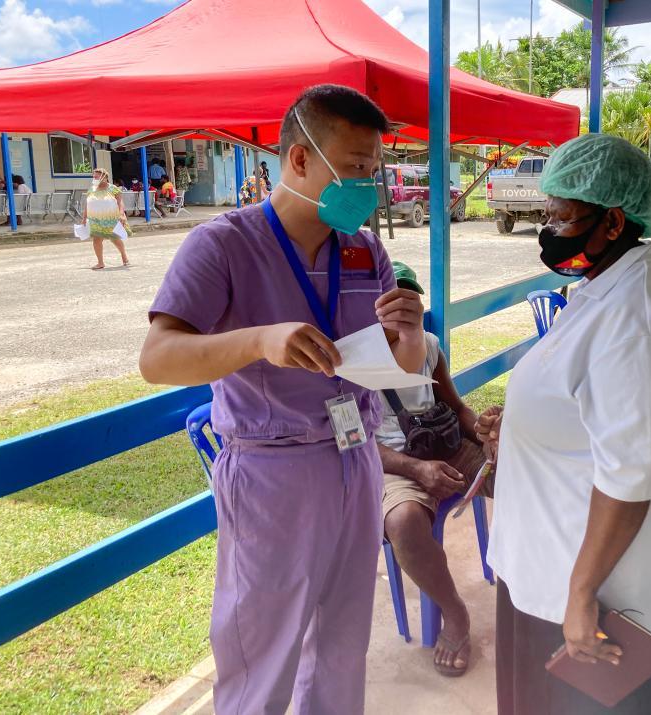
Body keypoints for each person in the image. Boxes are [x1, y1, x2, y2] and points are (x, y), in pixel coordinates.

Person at [139, 84, 425, 715]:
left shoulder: (363, 249)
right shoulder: (224, 245)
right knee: (261, 652)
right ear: (299, 159)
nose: (367, 185)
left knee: (344, 641)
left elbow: (399, 368)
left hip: (356, 458)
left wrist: (408, 334)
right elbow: (157, 359)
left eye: (373, 169)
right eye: (354, 167)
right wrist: (260, 341)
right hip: (273, 472)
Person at [478, 133, 651, 715]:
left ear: (613, 221)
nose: (549, 229)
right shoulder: (607, 284)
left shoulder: (638, 318)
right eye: (548, 214)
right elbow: (590, 408)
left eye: (562, 217)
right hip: (547, 568)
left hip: (584, 592)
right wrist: (523, 428)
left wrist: (580, 596)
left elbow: (628, 480)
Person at [375, 261, 490, 677]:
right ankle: (454, 613)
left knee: (519, 472)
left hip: (443, 443)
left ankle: (548, 582)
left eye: (410, 299)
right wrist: (417, 470)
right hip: (390, 461)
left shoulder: (427, 343)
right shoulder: (350, 359)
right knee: (403, 522)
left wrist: (484, 432)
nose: (402, 310)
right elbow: (354, 442)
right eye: (393, 300)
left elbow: (455, 406)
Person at [82, 167, 130, 270]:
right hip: (95, 219)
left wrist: (121, 214)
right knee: (96, 239)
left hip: (111, 218)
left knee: (115, 238)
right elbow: (87, 204)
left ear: (105, 177)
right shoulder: (92, 189)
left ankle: (123, 255)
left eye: (97, 177)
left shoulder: (113, 188)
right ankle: (100, 262)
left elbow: (120, 202)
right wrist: (84, 218)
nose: (95, 179)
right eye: (94, 177)